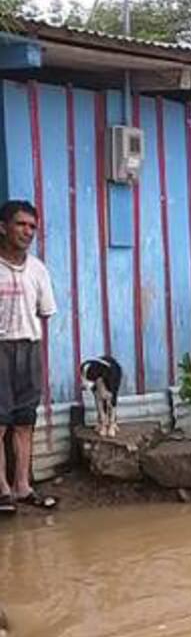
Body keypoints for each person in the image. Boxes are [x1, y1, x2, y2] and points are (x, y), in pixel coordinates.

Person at [0, 199, 57, 514]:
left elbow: (44, 312)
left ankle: (23, 487)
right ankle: (2, 491)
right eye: (21, 224)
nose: (27, 231)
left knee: (24, 421)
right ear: (3, 227)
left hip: (29, 348)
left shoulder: (37, 269)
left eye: (32, 226)